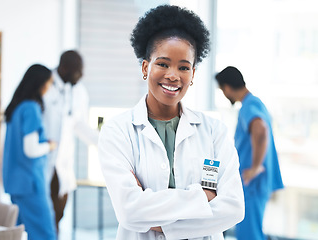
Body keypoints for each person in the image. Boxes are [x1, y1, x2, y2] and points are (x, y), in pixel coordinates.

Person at [98, 5, 244, 240]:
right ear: (146, 67)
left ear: (193, 75)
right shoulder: (117, 132)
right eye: (163, 64)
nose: (173, 75)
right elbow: (129, 211)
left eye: (184, 67)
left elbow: (234, 208)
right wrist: (203, 197)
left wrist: (160, 223)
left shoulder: (214, 131)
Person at [215, 66, 284, 240]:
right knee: (252, 231)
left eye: (222, 90)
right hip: (256, 182)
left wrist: (255, 167)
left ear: (227, 87)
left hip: (251, 181)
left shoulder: (249, 105)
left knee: (249, 234)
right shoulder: (255, 102)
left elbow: (260, 130)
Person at [42, 50, 98, 233]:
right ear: (64, 68)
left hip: (63, 167)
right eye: (77, 72)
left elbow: (79, 125)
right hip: (42, 162)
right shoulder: (44, 84)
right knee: (41, 219)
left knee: (57, 217)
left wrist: (102, 142)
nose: (81, 76)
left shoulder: (79, 92)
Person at [3, 64, 57, 240]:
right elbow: (31, 149)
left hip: (16, 184)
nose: (49, 88)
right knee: (45, 233)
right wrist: (49, 146)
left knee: (20, 233)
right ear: (40, 84)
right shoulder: (31, 108)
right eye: (49, 83)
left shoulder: (17, 108)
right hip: (30, 184)